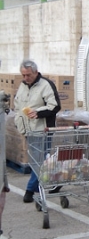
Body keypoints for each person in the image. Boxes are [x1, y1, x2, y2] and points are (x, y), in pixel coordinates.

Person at [14, 60, 61, 203]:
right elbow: (18, 105)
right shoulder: (22, 86)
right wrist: (18, 123)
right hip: (28, 130)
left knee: (37, 161)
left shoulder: (46, 85)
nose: (25, 78)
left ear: (35, 72)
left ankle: (30, 189)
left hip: (42, 129)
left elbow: (55, 106)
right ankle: (57, 179)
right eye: (23, 75)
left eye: (28, 75)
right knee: (41, 159)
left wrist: (38, 113)